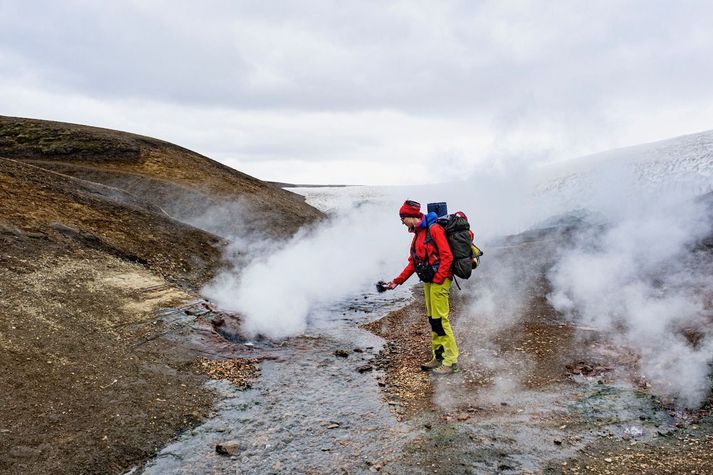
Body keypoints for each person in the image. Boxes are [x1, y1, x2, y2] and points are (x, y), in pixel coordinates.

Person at [383, 200, 459, 374]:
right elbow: (413, 263)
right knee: (433, 319)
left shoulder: (434, 230)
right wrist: (397, 281)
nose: (402, 222)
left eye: (403, 218)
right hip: (429, 281)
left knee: (441, 319)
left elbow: (447, 256)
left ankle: (451, 361)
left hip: (439, 280)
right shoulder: (418, 234)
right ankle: (438, 356)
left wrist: (439, 279)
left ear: (411, 216)